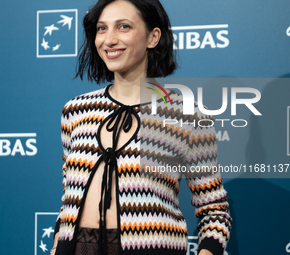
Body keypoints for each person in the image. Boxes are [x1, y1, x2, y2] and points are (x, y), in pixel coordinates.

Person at [51, 0, 232, 255]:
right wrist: (59, 237)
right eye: (102, 29)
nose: (109, 39)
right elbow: (69, 193)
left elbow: (214, 208)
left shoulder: (187, 114)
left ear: (153, 37)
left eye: (123, 27)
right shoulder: (76, 110)